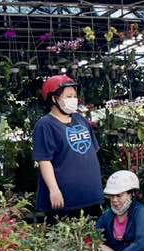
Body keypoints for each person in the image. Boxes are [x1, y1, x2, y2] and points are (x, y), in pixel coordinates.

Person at [32, 74, 103, 220]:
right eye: (68, 96)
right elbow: (44, 161)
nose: (73, 100)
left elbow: (92, 150)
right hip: (64, 200)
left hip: (91, 196)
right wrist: (54, 189)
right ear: (54, 98)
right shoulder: (45, 125)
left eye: (74, 96)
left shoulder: (80, 119)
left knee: (94, 239)